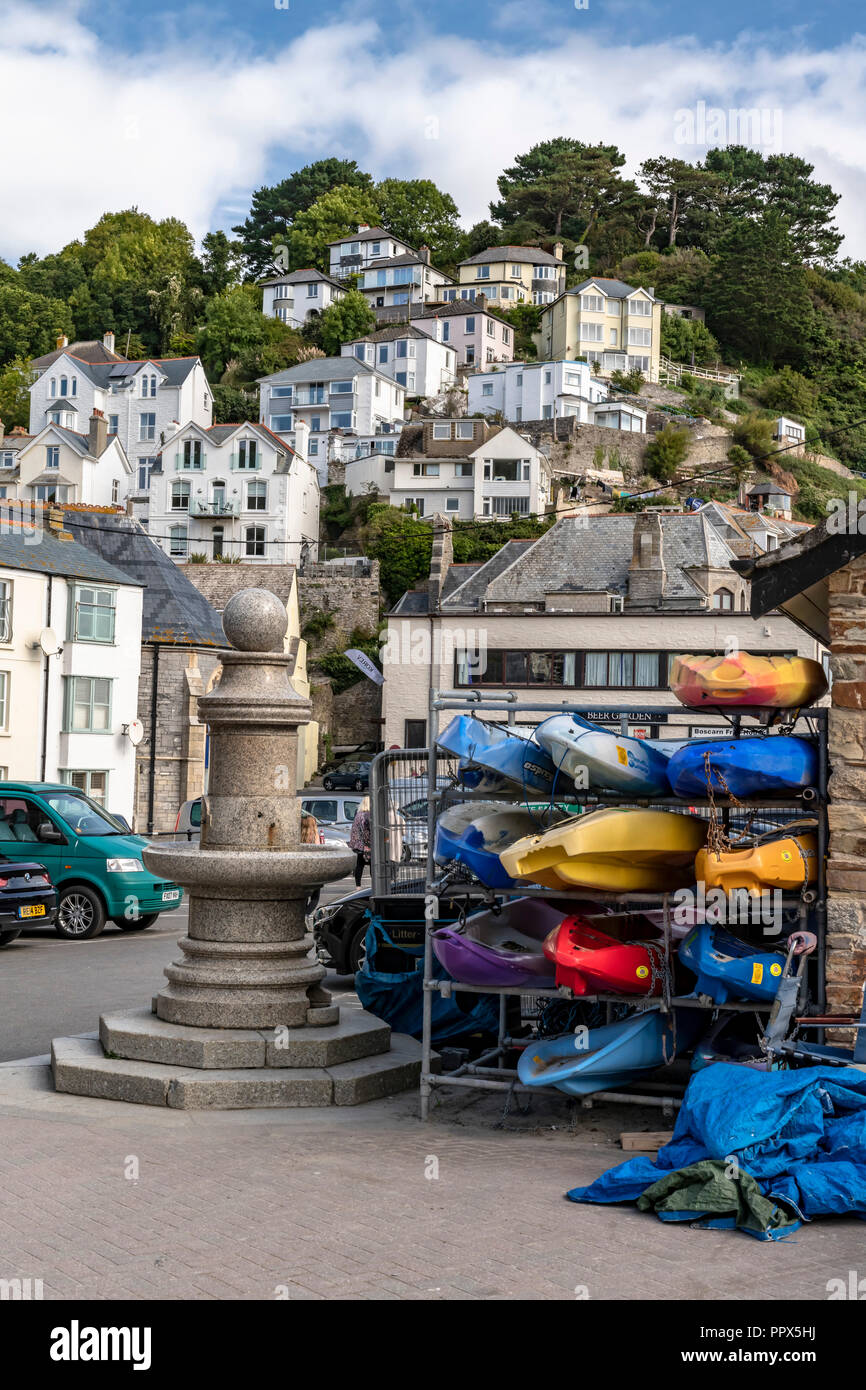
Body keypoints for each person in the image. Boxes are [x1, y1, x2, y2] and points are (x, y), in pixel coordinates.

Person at [349, 796, 371, 887]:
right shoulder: (368, 815)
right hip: (367, 845)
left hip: (357, 845)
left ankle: (358, 886)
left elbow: (354, 830)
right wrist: (368, 844)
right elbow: (366, 831)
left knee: (359, 866)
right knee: (373, 865)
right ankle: (375, 886)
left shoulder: (358, 815)